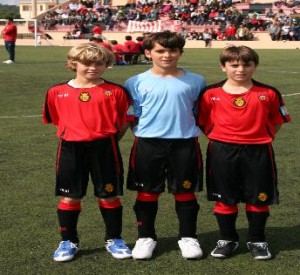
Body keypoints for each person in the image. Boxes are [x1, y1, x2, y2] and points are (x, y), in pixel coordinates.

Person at [198, 46, 291, 261]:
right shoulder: (210, 93)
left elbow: (277, 122)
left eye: (247, 64)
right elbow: (203, 122)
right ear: (223, 67)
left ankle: (257, 239)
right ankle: (227, 239)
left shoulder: (268, 93)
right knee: (225, 196)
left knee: (259, 196)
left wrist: (258, 136)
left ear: (254, 66)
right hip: (222, 150)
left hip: (258, 150)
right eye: (234, 65)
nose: (241, 69)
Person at [42, 42, 132, 262]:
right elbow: (56, 119)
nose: (93, 68)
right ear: (74, 63)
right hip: (71, 148)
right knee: (70, 196)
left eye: (99, 63)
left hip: (105, 147)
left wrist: (103, 136)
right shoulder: (56, 92)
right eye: (87, 63)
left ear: (106, 64)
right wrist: (77, 132)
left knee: (109, 194)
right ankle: (68, 241)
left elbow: (123, 122)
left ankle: (114, 239)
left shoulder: (116, 91)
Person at [124, 31, 206, 260]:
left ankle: (188, 237)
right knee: (147, 192)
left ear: (180, 52)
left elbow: (200, 113)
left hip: (184, 144)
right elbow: (132, 115)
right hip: (148, 144)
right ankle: (145, 237)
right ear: (148, 53)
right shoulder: (135, 82)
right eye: (160, 50)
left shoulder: (196, 81)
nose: (167, 55)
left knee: (185, 192)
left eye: (172, 50)